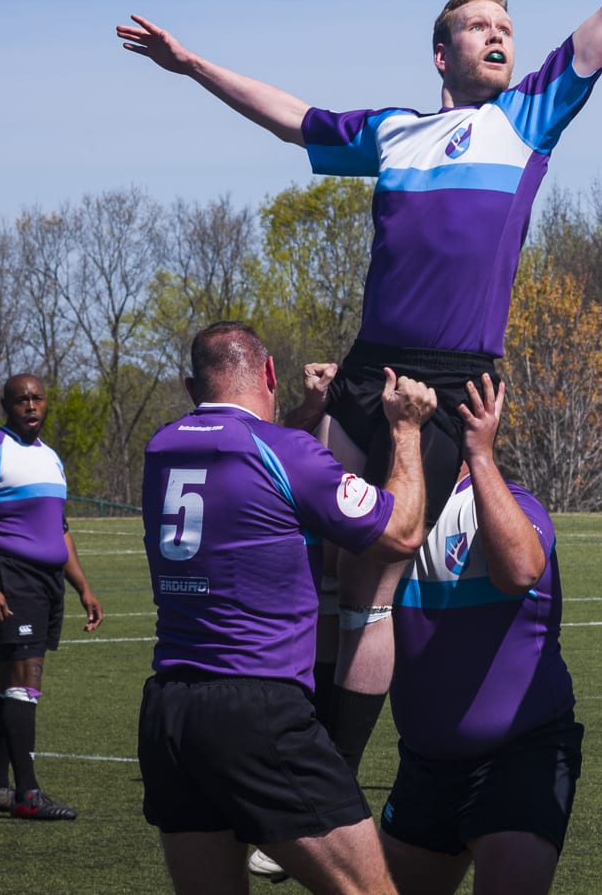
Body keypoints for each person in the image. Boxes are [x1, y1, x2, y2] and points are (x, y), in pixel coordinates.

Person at [118, 0, 602, 770]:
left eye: (507, 28)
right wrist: (194, 63)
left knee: (373, 575)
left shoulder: (528, 118)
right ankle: (272, 743)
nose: (498, 35)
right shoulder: (395, 132)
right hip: (367, 367)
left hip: (448, 387)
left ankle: (325, 777)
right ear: (440, 49)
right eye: (479, 25)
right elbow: (293, 116)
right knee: (319, 571)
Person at [138, 321, 430, 895]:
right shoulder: (285, 452)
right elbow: (399, 532)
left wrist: (307, 412)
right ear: (269, 372)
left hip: (169, 714)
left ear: (191, 387)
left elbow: (253, 454)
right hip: (255, 710)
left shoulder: (163, 446)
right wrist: (407, 431)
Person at [380, 375, 580, 895]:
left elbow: (519, 569)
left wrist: (482, 456)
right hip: (424, 766)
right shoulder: (390, 519)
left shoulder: (507, 502)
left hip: (518, 758)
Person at [0, 373, 104, 821]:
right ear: (6, 405)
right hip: (10, 578)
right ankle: (27, 795)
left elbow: (61, 530)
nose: (30, 406)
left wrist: (83, 587)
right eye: (21, 400)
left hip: (48, 582)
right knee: (23, 680)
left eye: (37, 398)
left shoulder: (50, 458)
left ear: (46, 403)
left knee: (8, 685)